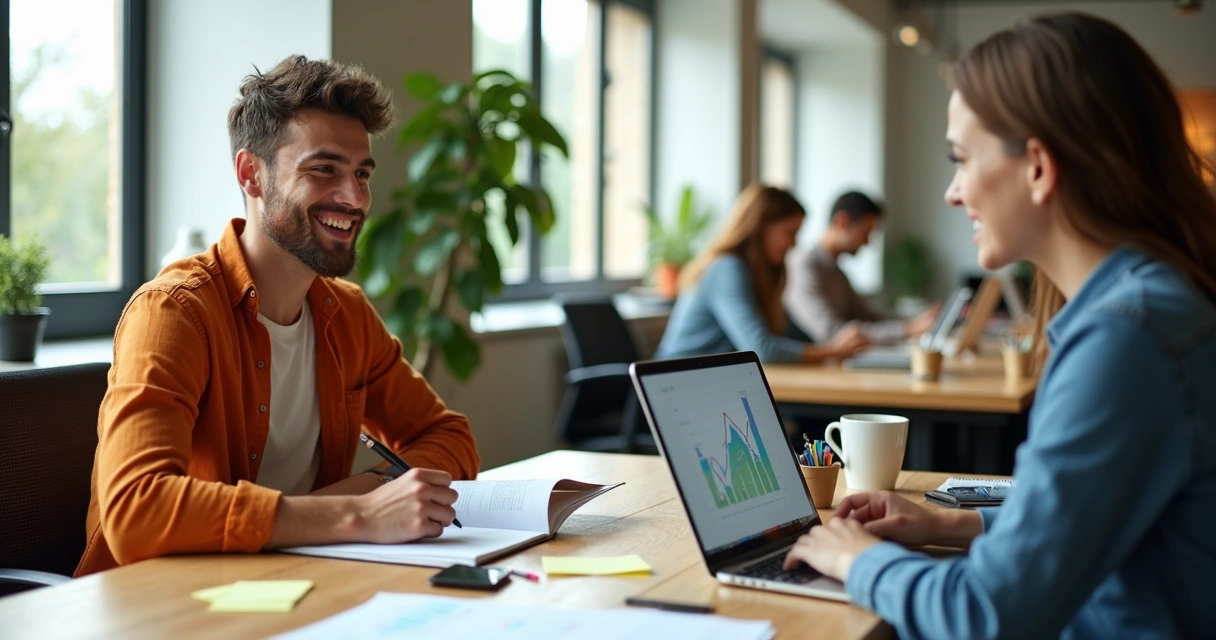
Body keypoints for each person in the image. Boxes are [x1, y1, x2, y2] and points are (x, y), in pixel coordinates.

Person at [782, 12, 1216, 639]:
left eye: (961, 158)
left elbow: (988, 613)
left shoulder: (1129, 338)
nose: (952, 193)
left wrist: (860, 560)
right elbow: (1104, 509)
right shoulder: (1153, 303)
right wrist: (953, 523)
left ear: (1038, 167)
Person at [75, 56, 480, 576]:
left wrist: (369, 492)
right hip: (160, 607)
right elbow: (135, 512)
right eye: (323, 169)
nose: (354, 198)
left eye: (361, 174)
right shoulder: (174, 312)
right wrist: (355, 513)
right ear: (252, 174)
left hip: (287, 586)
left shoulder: (347, 315)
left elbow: (450, 438)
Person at [654, 184, 868, 363]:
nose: (793, 244)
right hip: (674, 390)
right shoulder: (726, 268)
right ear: (760, 226)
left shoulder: (754, 272)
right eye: (789, 233)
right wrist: (833, 350)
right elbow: (761, 349)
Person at [784, 191, 938, 346]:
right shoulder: (803, 264)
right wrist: (908, 329)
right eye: (865, 232)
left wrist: (917, 320)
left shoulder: (837, 273)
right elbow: (831, 333)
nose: (867, 242)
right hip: (805, 368)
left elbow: (869, 315)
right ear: (842, 222)